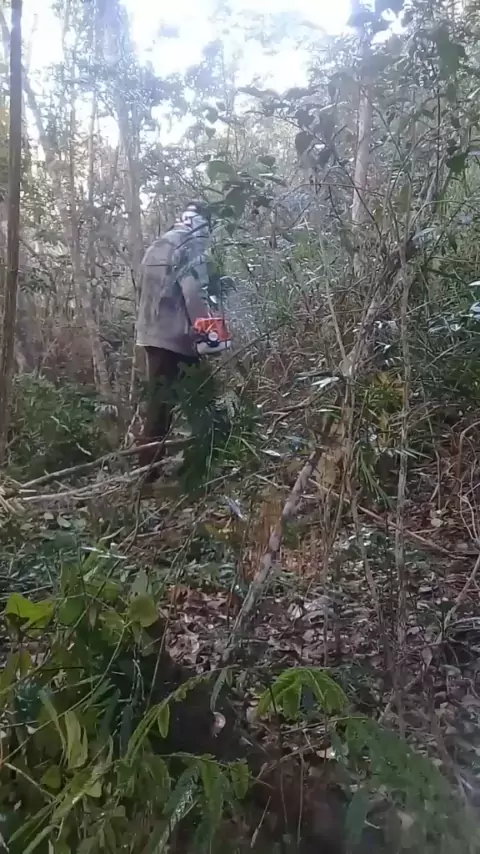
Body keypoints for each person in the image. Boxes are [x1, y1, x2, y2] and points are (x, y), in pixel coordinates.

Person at [135, 200, 213, 481]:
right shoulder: (191, 245)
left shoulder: (159, 244)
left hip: (151, 335)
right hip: (180, 338)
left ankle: (148, 474)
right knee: (203, 401)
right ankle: (202, 468)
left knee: (158, 406)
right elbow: (192, 293)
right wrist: (208, 332)